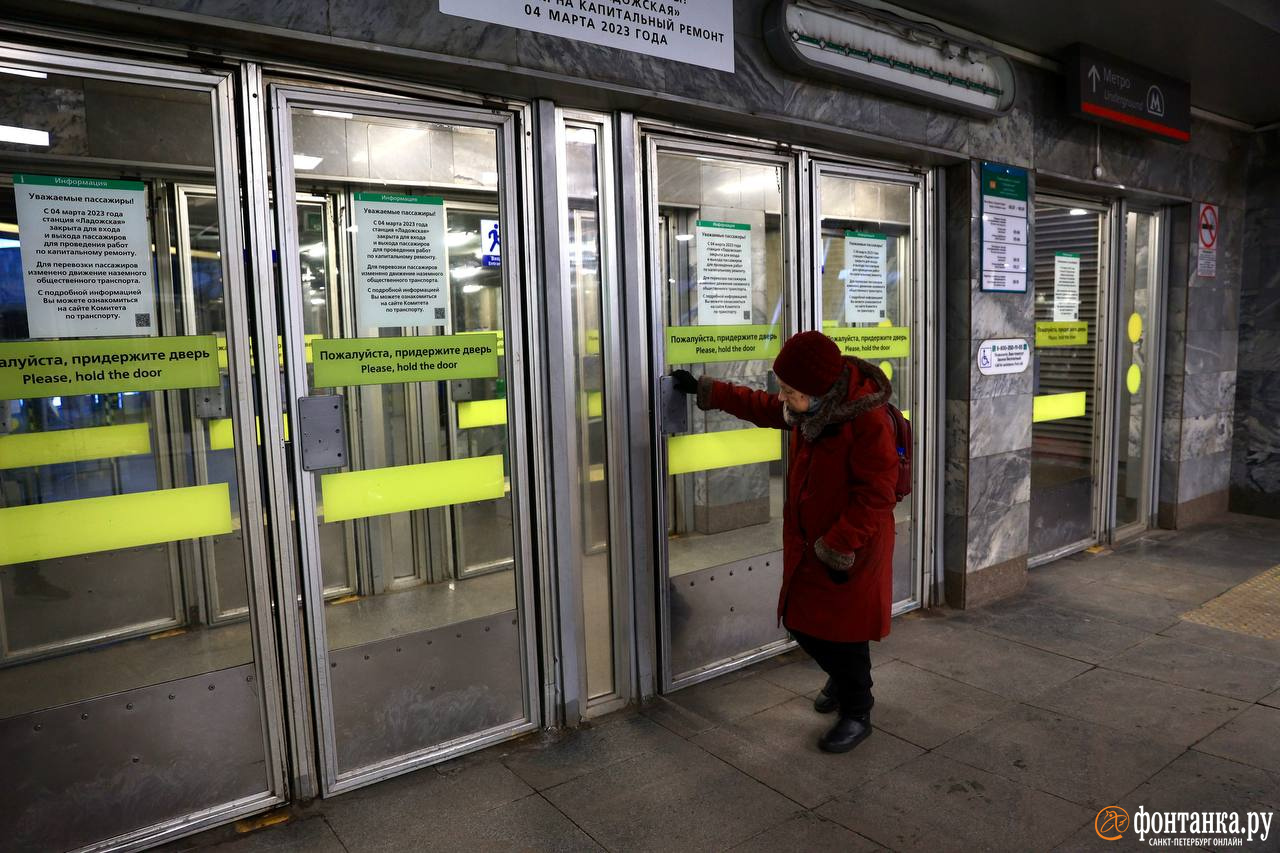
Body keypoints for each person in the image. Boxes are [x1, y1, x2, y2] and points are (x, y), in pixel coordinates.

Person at [670, 330, 898, 753]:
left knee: (843, 632)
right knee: (805, 621)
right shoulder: (810, 408)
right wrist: (709, 390)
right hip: (812, 542)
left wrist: (839, 544)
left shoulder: (867, 421)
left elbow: (877, 494)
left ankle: (858, 710)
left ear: (818, 390)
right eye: (782, 386)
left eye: (789, 390)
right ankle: (842, 678)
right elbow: (760, 405)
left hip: (851, 546)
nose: (782, 396)